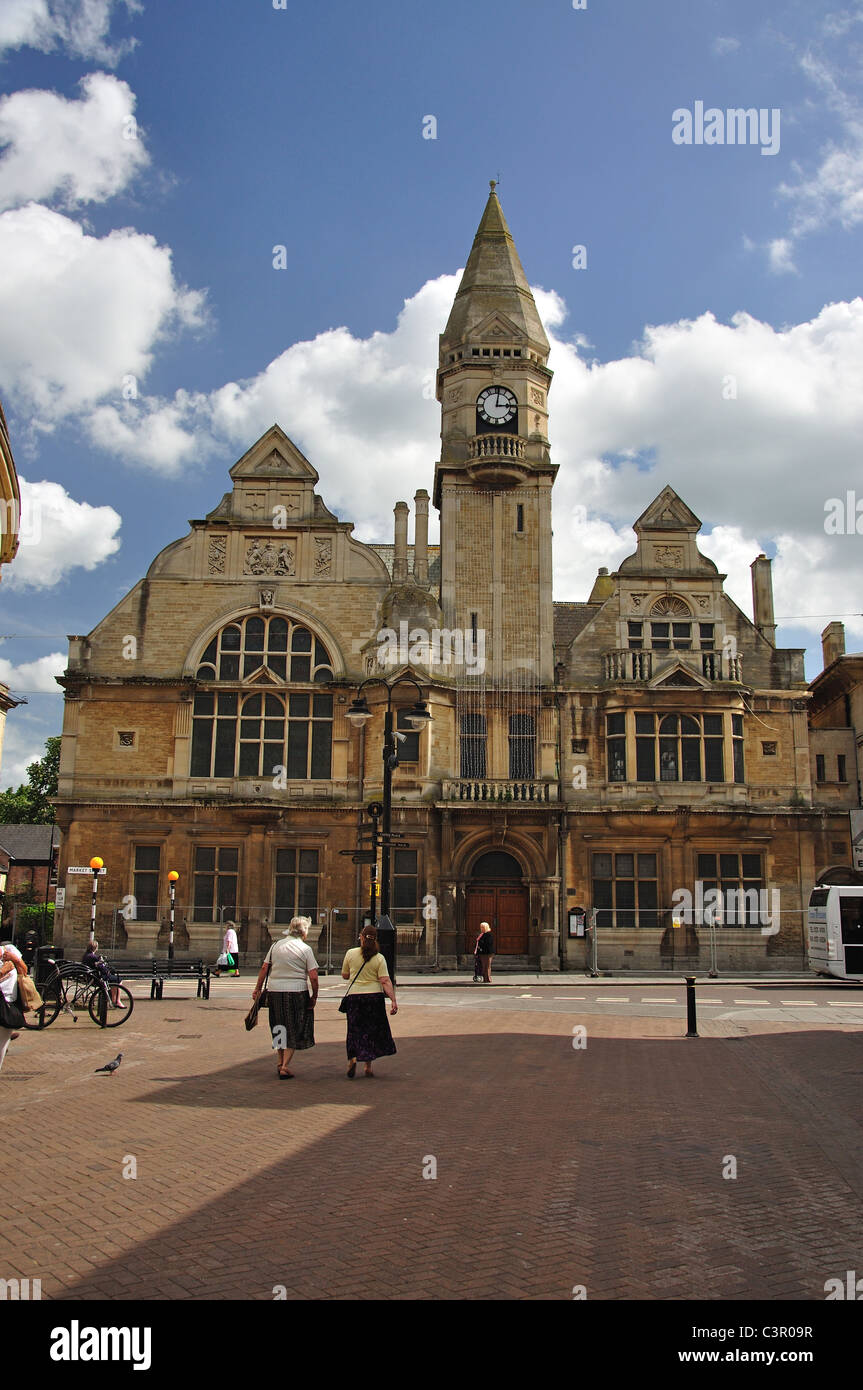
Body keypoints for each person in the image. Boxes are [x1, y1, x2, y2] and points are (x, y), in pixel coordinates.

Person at [252, 916, 318, 1079]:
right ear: (303, 931)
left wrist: (257, 988)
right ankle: (285, 1066)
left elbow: (264, 968)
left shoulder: (275, 946)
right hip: (297, 992)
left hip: (275, 992)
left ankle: (280, 1061)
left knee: (279, 1026)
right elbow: (314, 976)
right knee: (295, 1027)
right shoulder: (305, 949)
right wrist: (314, 995)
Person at [340, 926, 397, 1078]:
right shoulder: (379, 958)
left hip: (354, 998)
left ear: (361, 937)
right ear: (375, 939)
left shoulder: (351, 953)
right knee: (370, 1031)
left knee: (354, 1030)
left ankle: (352, 1058)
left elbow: (345, 975)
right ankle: (368, 1067)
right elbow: (385, 980)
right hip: (374, 998)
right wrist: (393, 1000)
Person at [0, 942, 28, 1072]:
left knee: (2, 1045)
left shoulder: (9, 950)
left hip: (8, 1004)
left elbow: (24, 972)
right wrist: (2, 971)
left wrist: (15, 959)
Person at [82, 939, 121, 1006]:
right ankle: (116, 1000)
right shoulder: (93, 956)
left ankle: (114, 1000)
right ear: (95, 948)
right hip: (96, 978)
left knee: (113, 979)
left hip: (89, 976)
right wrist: (106, 969)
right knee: (118, 980)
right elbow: (103, 969)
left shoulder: (86, 955)